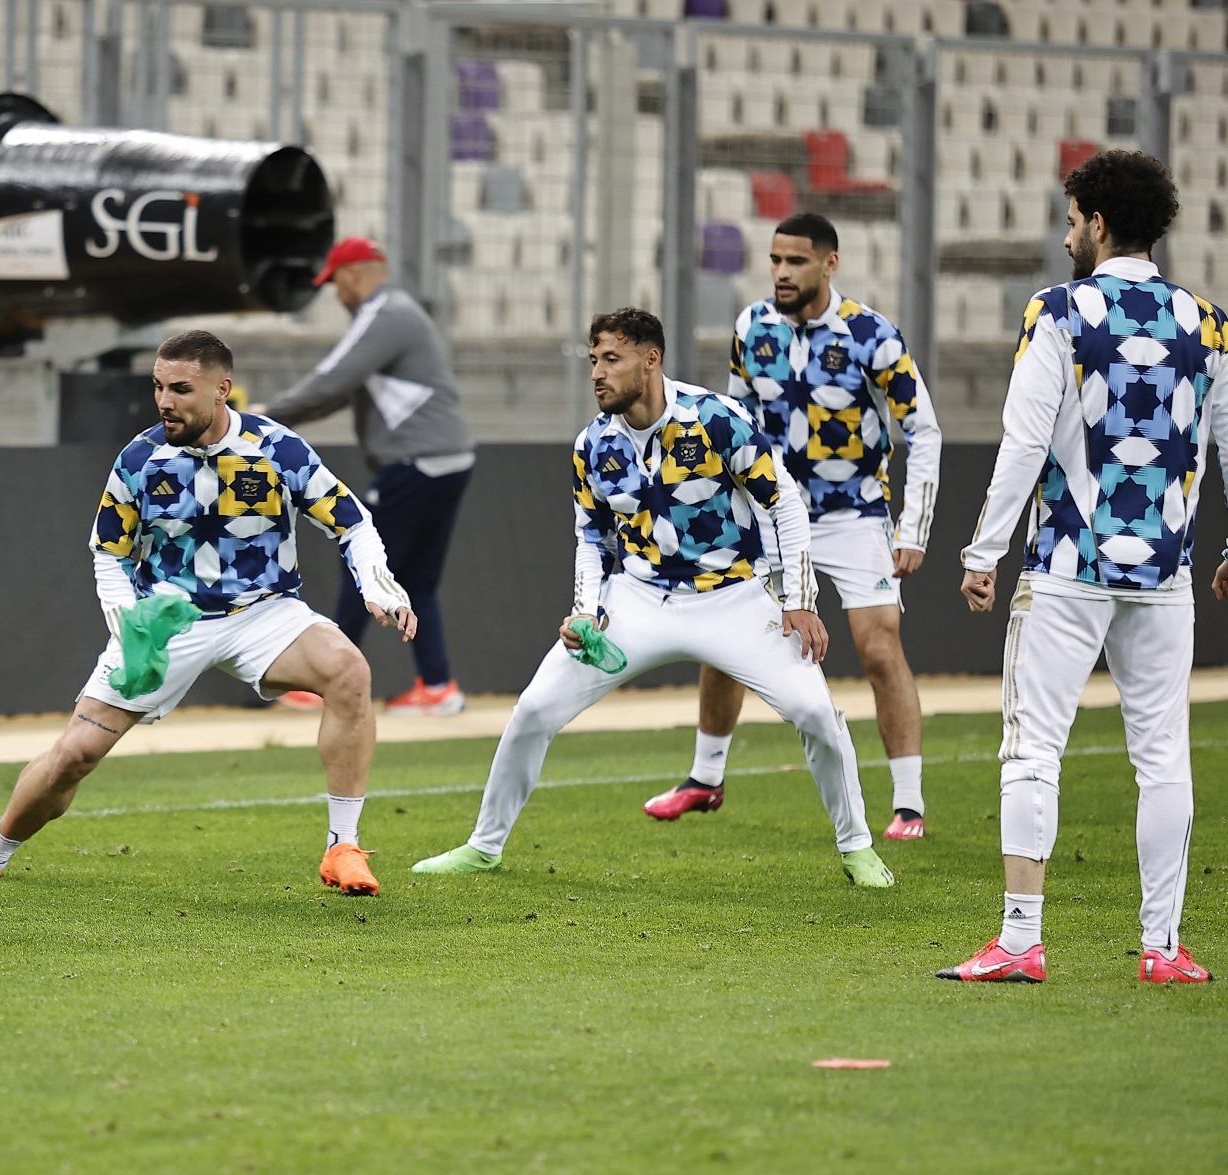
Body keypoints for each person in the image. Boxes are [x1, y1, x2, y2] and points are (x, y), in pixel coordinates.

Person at [0, 329, 417, 895]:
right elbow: (107, 555)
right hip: (166, 618)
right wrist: (129, 627)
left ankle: (342, 849)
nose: (164, 401)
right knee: (73, 757)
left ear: (222, 389)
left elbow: (352, 522)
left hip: (263, 612)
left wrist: (378, 586)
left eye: (180, 388)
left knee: (349, 672)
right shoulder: (139, 457)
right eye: (157, 387)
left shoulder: (278, 449)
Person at [410, 309, 892, 888]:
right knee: (534, 710)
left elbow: (783, 503)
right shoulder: (593, 444)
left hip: (734, 596)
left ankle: (857, 847)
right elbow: (590, 537)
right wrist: (585, 611)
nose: (597, 373)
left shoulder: (717, 418)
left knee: (816, 711)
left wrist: (800, 598)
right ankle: (483, 847)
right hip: (638, 601)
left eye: (611, 359)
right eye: (593, 360)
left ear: (651, 359)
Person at [942, 150, 1224, 985]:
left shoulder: (1061, 311)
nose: (1067, 234)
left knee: (1033, 750)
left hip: (1068, 562)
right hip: (1166, 574)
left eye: (1071, 219)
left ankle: (1022, 942)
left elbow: (1025, 440)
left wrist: (983, 550)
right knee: (1163, 757)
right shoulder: (1208, 322)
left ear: (1098, 222)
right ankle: (1163, 948)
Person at [642, 213, 943, 840]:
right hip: (772, 515)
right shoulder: (751, 327)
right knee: (724, 636)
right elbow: (730, 422)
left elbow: (923, 428)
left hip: (855, 513)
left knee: (879, 648)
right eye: (776, 260)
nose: (781, 272)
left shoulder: (871, 334)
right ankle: (705, 778)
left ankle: (908, 803)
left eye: (796, 261)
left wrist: (913, 525)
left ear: (829, 263)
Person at [249, 236, 474, 716]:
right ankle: (438, 686)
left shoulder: (383, 312)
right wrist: (276, 424)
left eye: (335, 284)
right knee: (417, 579)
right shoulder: (399, 313)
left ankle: (322, 679)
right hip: (448, 460)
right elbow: (337, 392)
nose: (336, 295)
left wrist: (263, 419)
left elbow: (331, 378)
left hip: (415, 462)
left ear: (352, 275)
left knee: (361, 560)